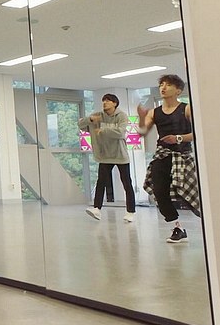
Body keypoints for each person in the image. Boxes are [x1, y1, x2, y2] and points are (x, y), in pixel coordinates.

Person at [137, 74, 199, 244]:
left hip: (182, 156)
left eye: (168, 85)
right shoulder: (154, 112)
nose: (163, 88)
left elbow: (199, 132)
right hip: (162, 155)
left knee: (190, 192)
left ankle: (211, 221)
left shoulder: (186, 109)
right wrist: (141, 118)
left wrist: (178, 138)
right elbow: (142, 132)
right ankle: (177, 227)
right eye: (161, 85)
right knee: (159, 191)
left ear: (178, 90)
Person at [78, 93, 136, 222]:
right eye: (103, 100)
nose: (105, 103)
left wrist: (103, 130)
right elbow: (81, 125)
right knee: (101, 182)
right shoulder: (98, 115)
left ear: (115, 103)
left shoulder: (121, 116)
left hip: (120, 155)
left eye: (108, 101)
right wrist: (90, 120)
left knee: (127, 183)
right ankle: (96, 209)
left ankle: (130, 211)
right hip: (104, 155)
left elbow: (120, 132)